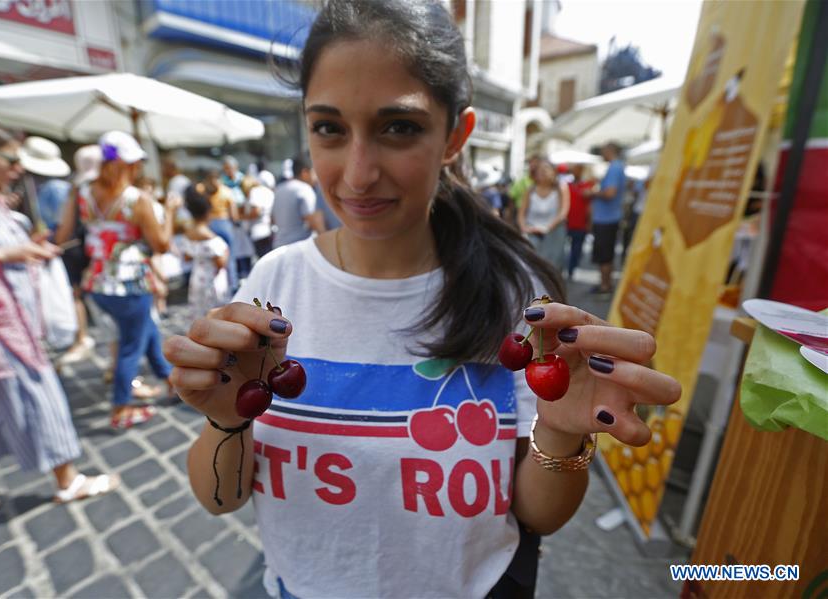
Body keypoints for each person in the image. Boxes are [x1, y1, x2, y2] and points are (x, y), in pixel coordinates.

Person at [163, 2, 681, 598]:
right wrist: (227, 419)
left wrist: (562, 434)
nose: (357, 175)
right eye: (329, 128)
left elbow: (539, 516)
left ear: (454, 135)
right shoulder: (274, 286)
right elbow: (220, 499)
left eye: (398, 127)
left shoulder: (513, 291)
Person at [0, 116, 119, 519]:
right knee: (38, 395)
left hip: (11, 323)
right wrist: (5, 254)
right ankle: (67, 480)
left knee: (2, 412)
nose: (19, 169)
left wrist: (24, 250)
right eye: (11, 160)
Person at [55, 131, 178, 429]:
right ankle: (120, 409)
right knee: (130, 346)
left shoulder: (82, 193)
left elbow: (62, 235)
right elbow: (161, 244)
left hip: (96, 282)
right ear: (128, 164)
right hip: (131, 283)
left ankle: (171, 381)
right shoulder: (138, 200)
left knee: (145, 330)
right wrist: (171, 212)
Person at [56, 145, 103, 368]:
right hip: (99, 253)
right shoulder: (107, 190)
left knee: (78, 295)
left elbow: (64, 229)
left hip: (76, 248)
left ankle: (82, 336)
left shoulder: (75, 189)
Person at [176, 184, 231, 317]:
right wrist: (225, 253)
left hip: (196, 277)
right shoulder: (211, 238)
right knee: (216, 315)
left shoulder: (188, 234)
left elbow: (187, 257)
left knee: (199, 314)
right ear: (208, 212)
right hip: (212, 280)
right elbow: (220, 263)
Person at [519, 159, 570, 271]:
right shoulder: (530, 190)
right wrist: (524, 228)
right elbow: (522, 212)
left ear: (553, 172)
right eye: (540, 170)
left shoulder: (561, 188)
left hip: (554, 232)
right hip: (532, 231)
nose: (543, 172)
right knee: (531, 266)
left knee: (552, 267)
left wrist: (547, 228)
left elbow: (563, 213)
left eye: (546, 169)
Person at [591, 142, 626, 294]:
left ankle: (605, 286)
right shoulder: (618, 167)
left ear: (610, 150)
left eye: (603, 150)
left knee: (604, 255)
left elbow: (610, 193)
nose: (601, 153)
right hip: (609, 218)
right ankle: (606, 284)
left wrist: (592, 193)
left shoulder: (614, 168)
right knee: (607, 254)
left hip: (606, 219)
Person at [271, 155, 323, 248]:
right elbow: (313, 221)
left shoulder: (279, 189)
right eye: (313, 172)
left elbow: (273, 219)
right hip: (298, 247)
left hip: (278, 245)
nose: (316, 177)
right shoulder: (304, 189)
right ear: (305, 172)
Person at [565, 164, 595, 279]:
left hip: (581, 224)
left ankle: (571, 270)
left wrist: (589, 223)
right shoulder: (566, 186)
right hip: (567, 222)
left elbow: (590, 207)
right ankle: (565, 268)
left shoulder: (587, 186)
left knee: (576, 249)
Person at [249, 169, 277, 257]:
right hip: (271, 231)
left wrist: (241, 217)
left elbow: (256, 212)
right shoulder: (272, 193)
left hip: (258, 231)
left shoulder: (256, 191)